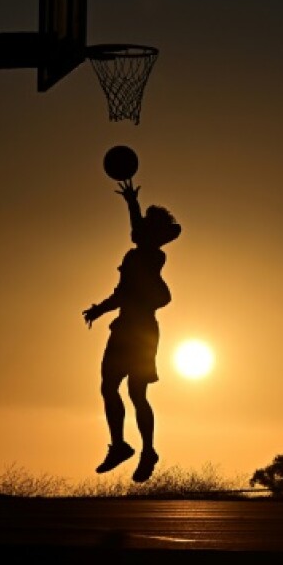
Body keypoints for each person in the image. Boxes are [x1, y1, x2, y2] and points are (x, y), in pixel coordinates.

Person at [83, 178, 182, 483]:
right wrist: (132, 204)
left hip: (136, 331)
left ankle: (141, 449)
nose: (134, 230)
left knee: (130, 391)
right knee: (118, 389)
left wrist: (133, 206)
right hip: (132, 328)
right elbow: (124, 290)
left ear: (152, 233)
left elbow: (126, 292)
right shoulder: (141, 254)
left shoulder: (149, 255)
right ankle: (125, 447)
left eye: (144, 227)